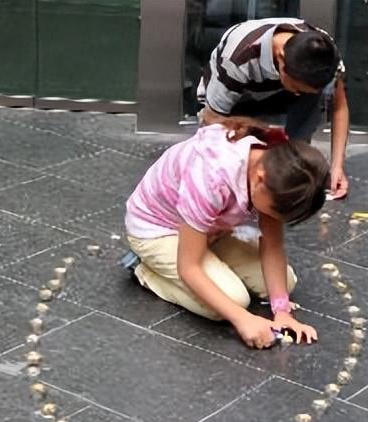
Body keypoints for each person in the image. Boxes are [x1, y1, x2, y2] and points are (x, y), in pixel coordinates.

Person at [123, 119, 328, 349]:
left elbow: (273, 245)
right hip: (159, 231)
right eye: (274, 212)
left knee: (285, 283)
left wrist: (282, 312)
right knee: (232, 302)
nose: (273, 219)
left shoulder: (277, 172)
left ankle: (212, 261)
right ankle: (144, 269)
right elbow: (188, 267)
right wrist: (243, 320)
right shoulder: (211, 176)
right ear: (260, 178)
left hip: (209, 230)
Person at [197, 17, 350, 200]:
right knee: (236, 167)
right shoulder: (237, 58)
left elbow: (339, 107)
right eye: (297, 88)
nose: (297, 94)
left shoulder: (325, 54)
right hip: (235, 103)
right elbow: (212, 120)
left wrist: (336, 167)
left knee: (313, 98)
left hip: (276, 92)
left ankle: (295, 161)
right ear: (281, 60)